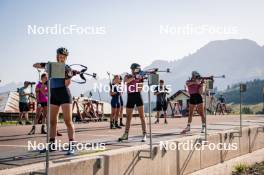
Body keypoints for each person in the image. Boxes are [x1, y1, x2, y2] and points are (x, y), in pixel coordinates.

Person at [33, 47, 75, 155]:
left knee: (68, 121)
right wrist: (42, 65)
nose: (61, 58)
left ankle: (72, 145)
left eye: (63, 57)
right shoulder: (50, 66)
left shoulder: (67, 68)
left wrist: (68, 75)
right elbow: (35, 65)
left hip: (64, 94)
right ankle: (51, 145)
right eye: (59, 56)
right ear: (57, 56)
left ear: (66, 58)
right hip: (53, 94)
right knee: (52, 121)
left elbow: (67, 84)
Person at [118, 63, 147, 142]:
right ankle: (126, 134)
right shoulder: (127, 75)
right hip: (130, 96)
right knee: (128, 118)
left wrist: (141, 79)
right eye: (136, 69)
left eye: (138, 69)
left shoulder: (140, 77)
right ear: (132, 69)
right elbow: (125, 82)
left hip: (137, 96)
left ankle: (144, 134)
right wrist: (134, 77)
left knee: (142, 117)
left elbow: (140, 89)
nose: (137, 70)